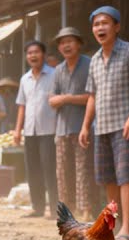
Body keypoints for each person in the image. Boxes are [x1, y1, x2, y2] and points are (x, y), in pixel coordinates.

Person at [80, 5, 129, 240]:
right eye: (96, 24)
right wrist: (85, 125)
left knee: (126, 176)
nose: (100, 28)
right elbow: (92, 96)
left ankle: (128, 229)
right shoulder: (95, 60)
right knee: (108, 177)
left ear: (116, 27)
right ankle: (114, 227)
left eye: (105, 23)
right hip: (102, 126)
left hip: (125, 124)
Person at [49, 26, 93, 217]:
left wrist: (66, 98)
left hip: (83, 127)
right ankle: (67, 211)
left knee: (83, 170)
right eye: (62, 43)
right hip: (62, 129)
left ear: (79, 44)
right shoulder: (58, 70)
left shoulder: (89, 64)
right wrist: (67, 98)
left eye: (70, 41)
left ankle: (86, 210)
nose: (66, 46)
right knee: (63, 172)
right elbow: (51, 100)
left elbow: (92, 97)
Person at [14, 41, 58, 217]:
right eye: (29, 53)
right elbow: (22, 106)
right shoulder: (24, 79)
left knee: (49, 169)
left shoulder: (55, 75)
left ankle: (55, 208)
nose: (33, 55)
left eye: (36, 52)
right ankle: (37, 207)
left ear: (44, 55)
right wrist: (18, 130)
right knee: (32, 169)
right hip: (30, 131)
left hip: (49, 130)